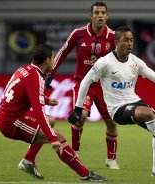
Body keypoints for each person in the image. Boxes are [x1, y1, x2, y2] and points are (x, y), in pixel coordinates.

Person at [68, 26, 155, 177]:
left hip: (134, 101)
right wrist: (78, 108)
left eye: (131, 40)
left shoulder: (135, 61)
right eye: (126, 40)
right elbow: (85, 81)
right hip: (117, 109)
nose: (130, 43)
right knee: (147, 113)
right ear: (117, 42)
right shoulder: (104, 62)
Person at [0, 44, 106, 182]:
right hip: (11, 122)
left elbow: (26, 93)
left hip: (12, 115)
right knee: (59, 136)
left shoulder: (25, 69)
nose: (54, 62)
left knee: (51, 120)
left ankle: (28, 160)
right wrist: (52, 138)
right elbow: (38, 112)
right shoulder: (35, 77)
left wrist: (46, 100)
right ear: (47, 60)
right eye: (53, 58)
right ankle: (85, 174)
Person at [46, 2, 120, 169]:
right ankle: (76, 153)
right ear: (91, 15)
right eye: (97, 13)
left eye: (103, 13)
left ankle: (111, 159)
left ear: (107, 16)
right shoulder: (78, 34)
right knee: (81, 116)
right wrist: (51, 73)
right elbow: (63, 51)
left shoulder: (114, 37)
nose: (100, 15)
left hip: (105, 86)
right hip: (82, 83)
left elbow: (124, 60)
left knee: (112, 123)